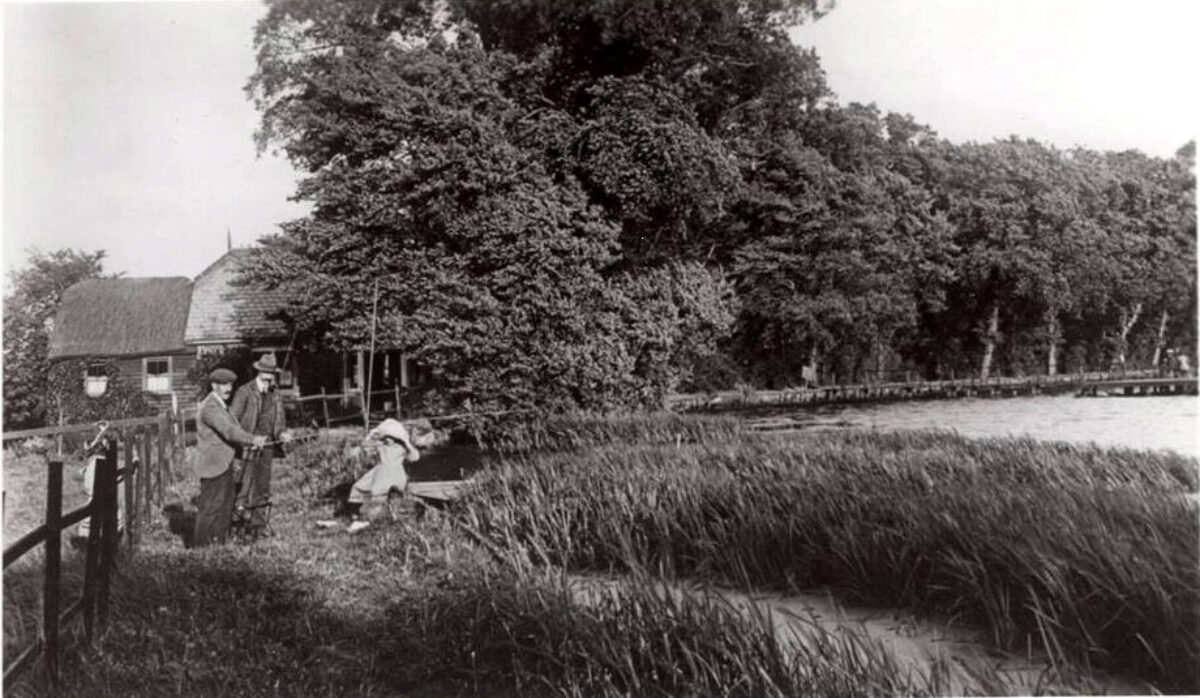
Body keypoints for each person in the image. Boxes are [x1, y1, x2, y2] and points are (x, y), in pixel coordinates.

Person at [194, 368, 267, 547]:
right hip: (212, 466)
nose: (228, 388)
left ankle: (219, 545)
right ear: (214, 385)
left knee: (225, 507)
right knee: (210, 509)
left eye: (230, 384)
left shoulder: (221, 404)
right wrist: (252, 439)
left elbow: (234, 428)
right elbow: (228, 431)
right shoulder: (210, 407)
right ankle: (200, 550)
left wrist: (249, 440)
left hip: (223, 464)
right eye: (223, 384)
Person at [322, 419, 421, 533]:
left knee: (378, 492)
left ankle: (370, 520)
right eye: (387, 436)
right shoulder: (382, 444)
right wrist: (370, 436)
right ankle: (354, 516)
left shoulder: (402, 446)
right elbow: (366, 446)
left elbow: (415, 457)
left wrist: (408, 444)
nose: (389, 439)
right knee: (359, 487)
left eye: (392, 437)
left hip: (393, 472)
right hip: (380, 471)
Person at [230, 352, 289, 537]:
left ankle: (258, 526)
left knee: (262, 487)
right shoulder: (244, 392)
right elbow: (232, 421)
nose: (269, 379)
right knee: (243, 487)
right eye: (265, 374)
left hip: (268, 446)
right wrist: (247, 439)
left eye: (271, 374)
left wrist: (282, 434)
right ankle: (235, 525)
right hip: (248, 446)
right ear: (259, 372)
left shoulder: (276, 394)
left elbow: (279, 421)